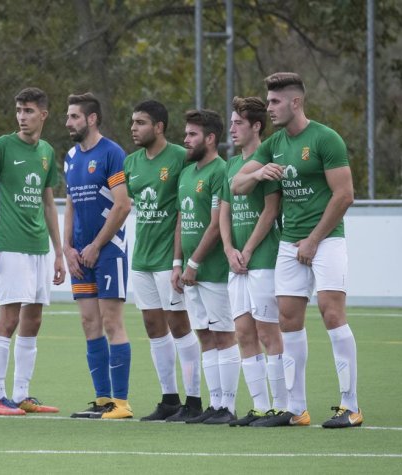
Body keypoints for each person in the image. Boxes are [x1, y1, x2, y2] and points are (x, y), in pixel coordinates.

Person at [231, 72, 360, 428]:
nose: (269, 107)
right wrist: (257, 175)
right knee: (288, 320)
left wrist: (315, 239)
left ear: (296, 102)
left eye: (275, 101)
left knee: (332, 313)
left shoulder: (325, 138)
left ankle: (351, 406)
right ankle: (296, 408)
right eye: (269, 101)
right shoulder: (273, 144)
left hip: (327, 240)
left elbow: (344, 195)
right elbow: (237, 185)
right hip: (290, 244)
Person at [0, 87, 65, 416]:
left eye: (28, 111)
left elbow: (49, 202)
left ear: (43, 114)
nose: (22, 117)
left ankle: (22, 394)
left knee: (34, 319)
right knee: (9, 319)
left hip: (40, 248)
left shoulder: (46, 152)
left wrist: (58, 253)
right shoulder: (2, 146)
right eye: (18, 110)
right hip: (11, 246)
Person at [123, 100, 203, 422]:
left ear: (158, 127)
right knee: (153, 326)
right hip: (141, 258)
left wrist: (180, 258)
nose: (133, 128)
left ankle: (194, 400)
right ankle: (169, 399)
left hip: (168, 259)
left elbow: (189, 206)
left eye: (141, 122)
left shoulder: (181, 158)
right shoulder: (131, 163)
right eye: (132, 122)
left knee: (180, 325)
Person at [62, 93, 133, 420]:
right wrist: (68, 248)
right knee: (89, 322)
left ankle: (121, 403)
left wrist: (95, 246)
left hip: (108, 252)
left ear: (91, 119)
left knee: (110, 321)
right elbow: (71, 205)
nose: (68, 123)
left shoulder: (112, 153)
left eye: (74, 116)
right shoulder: (71, 157)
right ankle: (103, 399)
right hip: (80, 255)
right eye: (68, 116)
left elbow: (122, 204)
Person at [218, 97, 287, 426]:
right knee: (243, 333)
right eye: (231, 123)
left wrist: (248, 250)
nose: (231, 129)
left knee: (268, 332)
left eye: (238, 123)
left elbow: (271, 211)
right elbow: (224, 213)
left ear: (256, 126)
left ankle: (282, 406)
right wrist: (230, 249)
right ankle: (260, 406)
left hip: (263, 260)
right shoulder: (231, 166)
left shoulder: (270, 162)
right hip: (237, 262)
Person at [171, 109, 240, 424]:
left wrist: (195, 262)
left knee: (224, 335)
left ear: (210, 138)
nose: (185, 140)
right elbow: (182, 220)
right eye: (186, 134)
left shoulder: (220, 172)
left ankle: (228, 406)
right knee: (205, 336)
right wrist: (177, 263)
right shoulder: (187, 173)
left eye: (192, 134)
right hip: (189, 273)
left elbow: (216, 225)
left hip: (212, 271)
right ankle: (214, 404)